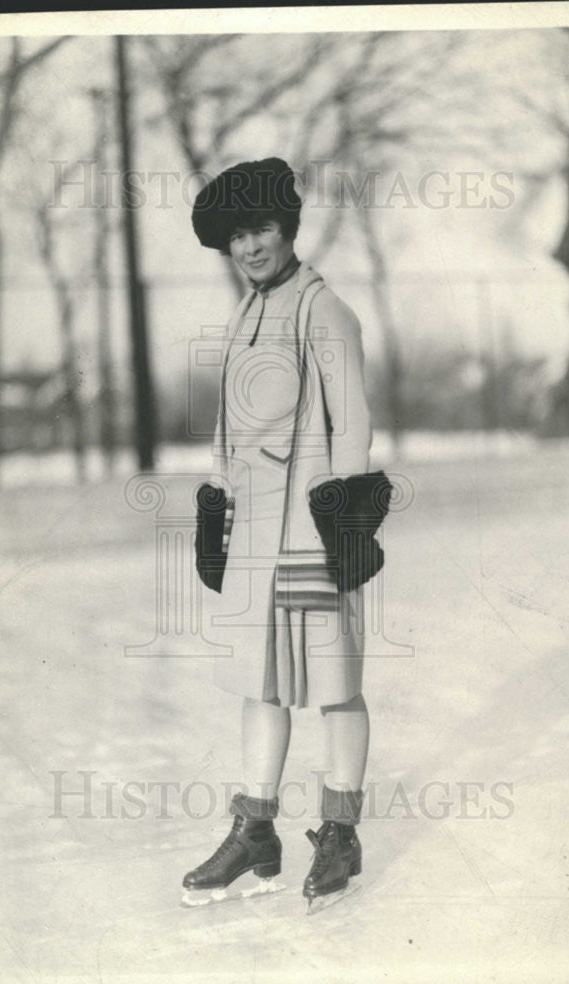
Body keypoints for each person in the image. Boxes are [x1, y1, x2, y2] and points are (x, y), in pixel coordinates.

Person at [184, 157, 389, 909]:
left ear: (288, 227)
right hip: (253, 535)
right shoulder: (244, 312)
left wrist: (345, 521)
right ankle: (256, 830)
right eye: (235, 234)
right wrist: (218, 504)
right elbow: (230, 428)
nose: (249, 246)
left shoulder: (321, 309)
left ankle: (339, 833)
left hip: (308, 530)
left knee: (333, 680)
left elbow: (354, 422)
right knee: (255, 679)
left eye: (261, 228)